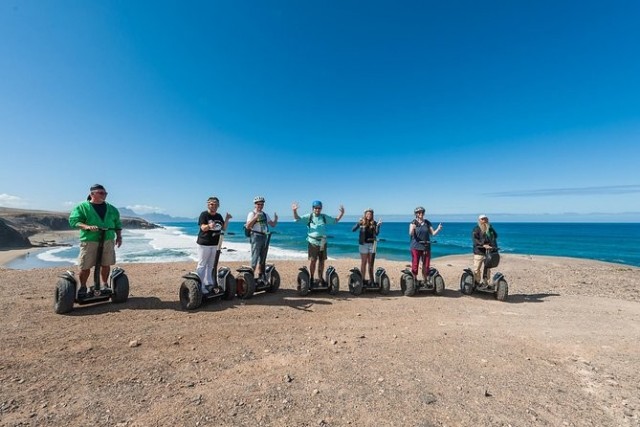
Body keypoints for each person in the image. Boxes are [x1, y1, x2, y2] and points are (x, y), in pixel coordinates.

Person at [68, 184, 123, 297]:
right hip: (90, 240)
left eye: (105, 193)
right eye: (101, 193)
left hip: (107, 239)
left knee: (106, 263)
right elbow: (74, 221)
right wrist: (86, 227)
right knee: (85, 265)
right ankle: (83, 287)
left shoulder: (112, 208)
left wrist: (119, 236)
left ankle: (104, 285)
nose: (104, 195)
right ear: (92, 194)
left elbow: (117, 224)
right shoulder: (82, 207)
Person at [292, 200, 345, 283]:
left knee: (322, 261)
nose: (317, 209)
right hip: (313, 242)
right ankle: (312, 278)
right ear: (313, 208)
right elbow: (297, 218)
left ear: (321, 208)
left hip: (323, 242)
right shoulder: (309, 216)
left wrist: (342, 213)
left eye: (319, 208)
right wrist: (294, 211)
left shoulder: (324, 217)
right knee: (313, 261)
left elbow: (335, 220)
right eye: (316, 208)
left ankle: (320, 278)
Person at [196, 196, 232, 294]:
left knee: (211, 265)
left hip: (215, 244)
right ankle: (200, 285)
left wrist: (227, 219)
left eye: (216, 204)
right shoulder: (204, 215)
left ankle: (209, 283)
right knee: (202, 265)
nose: (214, 206)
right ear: (208, 205)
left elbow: (223, 228)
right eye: (212, 204)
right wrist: (209, 226)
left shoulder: (219, 216)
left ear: (218, 206)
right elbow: (203, 227)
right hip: (204, 244)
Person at [245, 196, 278, 281]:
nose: (260, 206)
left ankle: (261, 276)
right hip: (255, 236)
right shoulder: (251, 213)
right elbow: (248, 226)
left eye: (262, 204)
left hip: (264, 236)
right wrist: (255, 217)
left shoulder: (265, 214)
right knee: (255, 257)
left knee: (263, 258)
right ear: (255, 204)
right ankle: (250, 277)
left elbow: (273, 225)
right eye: (258, 204)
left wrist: (276, 219)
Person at [409, 206, 442, 281]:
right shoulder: (413, 223)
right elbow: (410, 233)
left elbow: (433, 233)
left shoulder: (427, 222)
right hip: (415, 246)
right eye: (419, 212)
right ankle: (414, 280)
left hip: (426, 246)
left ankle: (425, 280)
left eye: (422, 212)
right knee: (415, 264)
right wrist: (413, 228)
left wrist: (438, 229)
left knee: (426, 265)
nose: (421, 214)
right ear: (416, 214)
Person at [352, 208, 381, 284]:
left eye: (370, 214)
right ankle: (362, 279)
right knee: (363, 262)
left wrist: (378, 226)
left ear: (372, 215)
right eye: (367, 214)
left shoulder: (374, 223)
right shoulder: (362, 222)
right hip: (363, 244)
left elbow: (377, 233)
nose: (369, 215)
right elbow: (353, 229)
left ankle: (371, 280)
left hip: (372, 244)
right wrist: (358, 223)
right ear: (365, 214)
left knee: (371, 263)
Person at [472, 214, 499, 285]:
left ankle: (485, 282)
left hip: (489, 252)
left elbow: (495, 236)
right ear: (479, 220)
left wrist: (491, 228)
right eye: (483, 219)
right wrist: (483, 245)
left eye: (486, 219)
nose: (484, 220)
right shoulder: (476, 229)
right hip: (479, 252)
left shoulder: (490, 229)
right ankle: (477, 282)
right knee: (476, 268)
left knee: (487, 269)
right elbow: (475, 240)